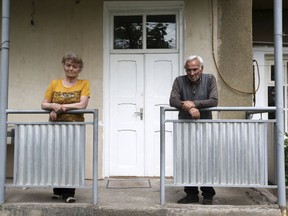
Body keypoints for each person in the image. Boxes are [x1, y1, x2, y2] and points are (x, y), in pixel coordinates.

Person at [41, 52, 90, 203]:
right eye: (68, 65)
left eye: (74, 66)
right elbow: (43, 103)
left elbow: (82, 104)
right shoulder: (54, 83)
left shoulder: (84, 84)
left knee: (72, 159)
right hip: (56, 127)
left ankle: (69, 192)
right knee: (56, 157)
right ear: (64, 66)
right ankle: (57, 190)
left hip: (75, 127)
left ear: (79, 69)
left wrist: (59, 107)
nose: (70, 69)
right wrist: (52, 106)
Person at [169, 55, 218, 205]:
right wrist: (188, 107)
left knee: (206, 160)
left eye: (195, 69)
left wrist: (193, 104)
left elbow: (214, 100)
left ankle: (208, 194)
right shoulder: (179, 80)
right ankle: (191, 194)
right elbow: (173, 100)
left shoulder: (210, 79)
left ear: (201, 69)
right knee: (187, 159)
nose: (191, 73)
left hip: (205, 127)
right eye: (188, 70)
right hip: (185, 127)